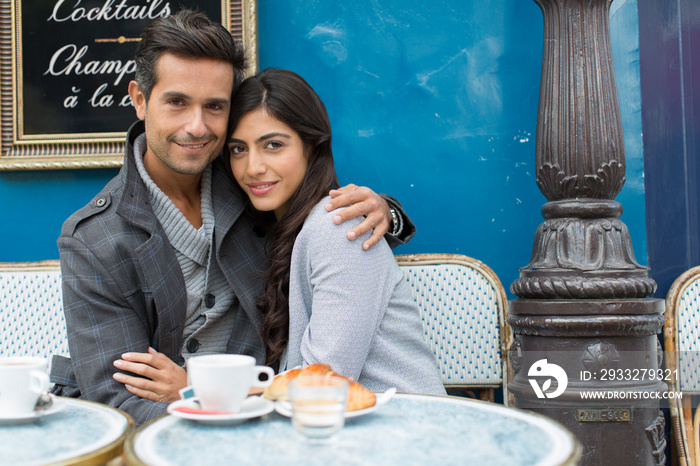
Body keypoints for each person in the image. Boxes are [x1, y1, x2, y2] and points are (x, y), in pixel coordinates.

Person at [49, 10, 416, 426]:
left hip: (292, 422)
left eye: (215, 106)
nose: (196, 126)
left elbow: (325, 221)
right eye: (176, 102)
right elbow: (120, 398)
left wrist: (386, 212)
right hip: (185, 433)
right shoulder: (95, 238)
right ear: (139, 100)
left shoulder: (249, 183)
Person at [227, 68, 445, 395]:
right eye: (238, 149)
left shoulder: (337, 226)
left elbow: (322, 381)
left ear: (311, 147)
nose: (252, 167)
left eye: (273, 145)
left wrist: (198, 387)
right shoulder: (277, 225)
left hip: (402, 428)